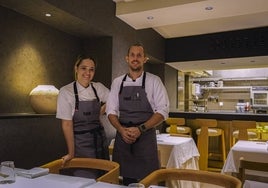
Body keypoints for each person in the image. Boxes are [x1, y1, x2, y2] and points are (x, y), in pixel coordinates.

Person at [106, 43, 170, 185]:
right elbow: (110, 111)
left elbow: (163, 111)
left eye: (139, 55)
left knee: (149, 181)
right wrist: (122, 130)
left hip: (146, 137)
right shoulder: (117, 82)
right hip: (123, 137)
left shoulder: (154, 81)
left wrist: (140, 129)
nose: (135, 58)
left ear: (144, 59)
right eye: (132, 55)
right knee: (124, 180)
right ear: (127, 58)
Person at [56, 56, 109, 178]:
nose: (88, 73)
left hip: (100, 141)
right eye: (84, 68)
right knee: (85, 177)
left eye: (91, 69)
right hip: (81, 144)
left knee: (105, 179)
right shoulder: (66, 92)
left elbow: (114, 100)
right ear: (76, 69)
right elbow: (67, 124)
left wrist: (99, 112)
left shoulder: (98, 87)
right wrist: (71, 153)